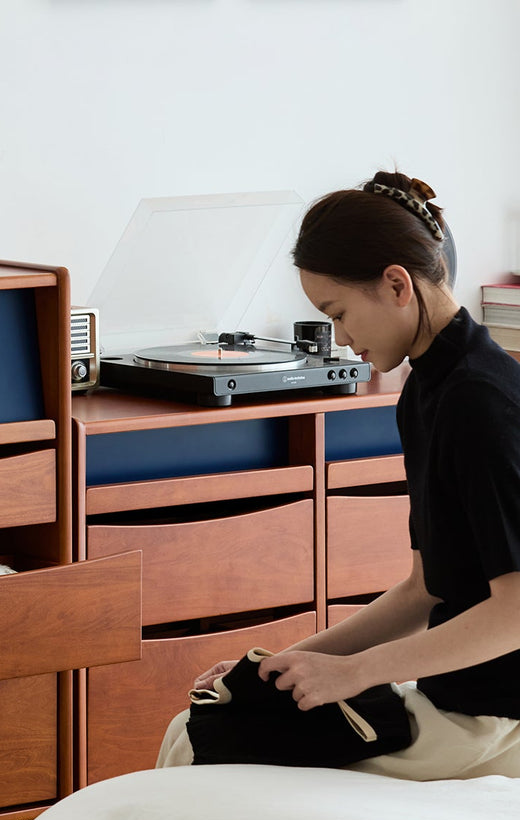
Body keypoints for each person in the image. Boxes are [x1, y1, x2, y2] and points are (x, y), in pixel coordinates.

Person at [157, 171, 520, 779]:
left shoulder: (482, 401)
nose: (343, 339)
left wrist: (353, 673)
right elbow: (423, 590)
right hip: (453, 699)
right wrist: (282, 664)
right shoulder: (428, 389)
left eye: (340, 313)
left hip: (492, 725)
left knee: (205, 744)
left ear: (397, 284)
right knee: (208, 719)